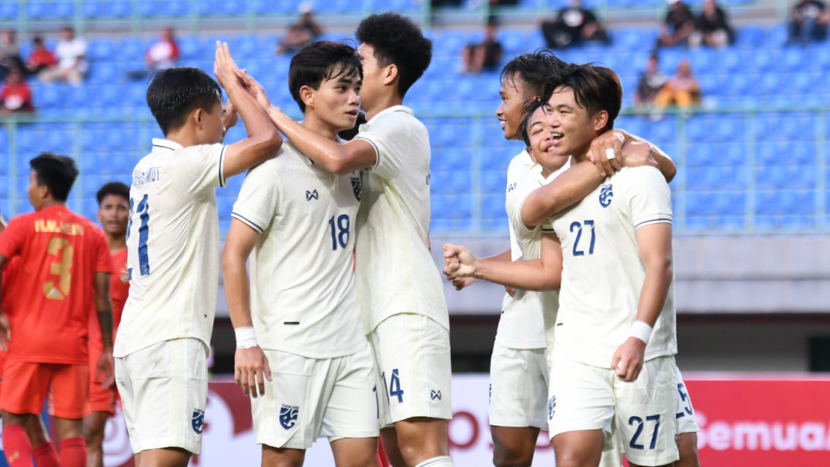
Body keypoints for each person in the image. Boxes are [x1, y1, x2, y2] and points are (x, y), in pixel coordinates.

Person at [445, 63, 687, 467]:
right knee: (564, 455)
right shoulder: (547, 180)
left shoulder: (634, 175)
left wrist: (639, 335)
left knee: (668, 457)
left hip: (634, 340)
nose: (551, 124)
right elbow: (541, 247)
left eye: (561, 113)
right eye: (546, 117)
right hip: (572, 345)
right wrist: (618, 145)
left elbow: (658, 262)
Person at [243, 12, 451, 467]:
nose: (354, 77)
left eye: (362, 64)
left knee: (420, 448)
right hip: (367, 316)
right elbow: (309, 145)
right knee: (396, 452)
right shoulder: (367, 131)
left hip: (405, 307)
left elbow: (335, 158)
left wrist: (272, 113)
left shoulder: (399, 126)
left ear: (389, 73)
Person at [112, 45, 283, 467]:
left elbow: (209, 140)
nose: (225, 122)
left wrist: (224, 116)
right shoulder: (189, 166)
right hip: (171, 341)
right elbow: (268, 141)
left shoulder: (146, 167)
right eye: (219, 113)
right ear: (198, 117)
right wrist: (232, 85)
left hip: (135, 339)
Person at [223, 41, 379, 467]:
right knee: (282, 462)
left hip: (351, 342)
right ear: (307, 95)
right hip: (289, 346)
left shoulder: (354, 161)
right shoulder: (273, 167)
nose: (354, 98)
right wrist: (246, 341)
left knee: (363, 462)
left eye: (357, 88)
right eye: (342, 88)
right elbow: (233, 255)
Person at [0, 153, 115, 467]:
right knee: (71, 432)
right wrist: (107, 348)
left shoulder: (22, 225)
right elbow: (102, 299)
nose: (28, 189)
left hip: (28, 342)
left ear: (44, 190)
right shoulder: (93, 234)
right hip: (73, 346)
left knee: (12, 421)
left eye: (30, 182)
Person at [0, 209, 60, 467]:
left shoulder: (10, 257)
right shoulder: (20, 255)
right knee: (33, 428)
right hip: (26, 346)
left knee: (13, 421)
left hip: (11, 351)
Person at [84, 182, 131, 467]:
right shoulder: (85, 256)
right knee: (91, 434)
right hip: (95, 354)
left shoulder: (139, 258)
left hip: (132, 352)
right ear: (98, 213)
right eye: (108, 207)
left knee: (144, 435)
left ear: (131, 213)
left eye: (121, 207)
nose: (114, 213)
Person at [541, 0, 610, 49]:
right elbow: (555, 21)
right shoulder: (563, 11)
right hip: (562, 36)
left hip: (579, 39)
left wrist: (592, 27)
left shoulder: (587, 13)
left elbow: (599, 25)